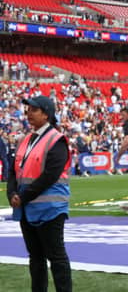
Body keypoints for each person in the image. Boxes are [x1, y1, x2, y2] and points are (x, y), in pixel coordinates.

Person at [7, 95, 72, 291]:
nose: (28, 114)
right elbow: (13, 170)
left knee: (56, 256)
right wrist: (11, 194)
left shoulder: (56, 140)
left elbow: (50, 175)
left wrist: (22, 197)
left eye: (33, 110)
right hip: (28, 208)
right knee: (35, 257)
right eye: (27, 110)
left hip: (50, 208)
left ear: (46, 114)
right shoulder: (26, 139)